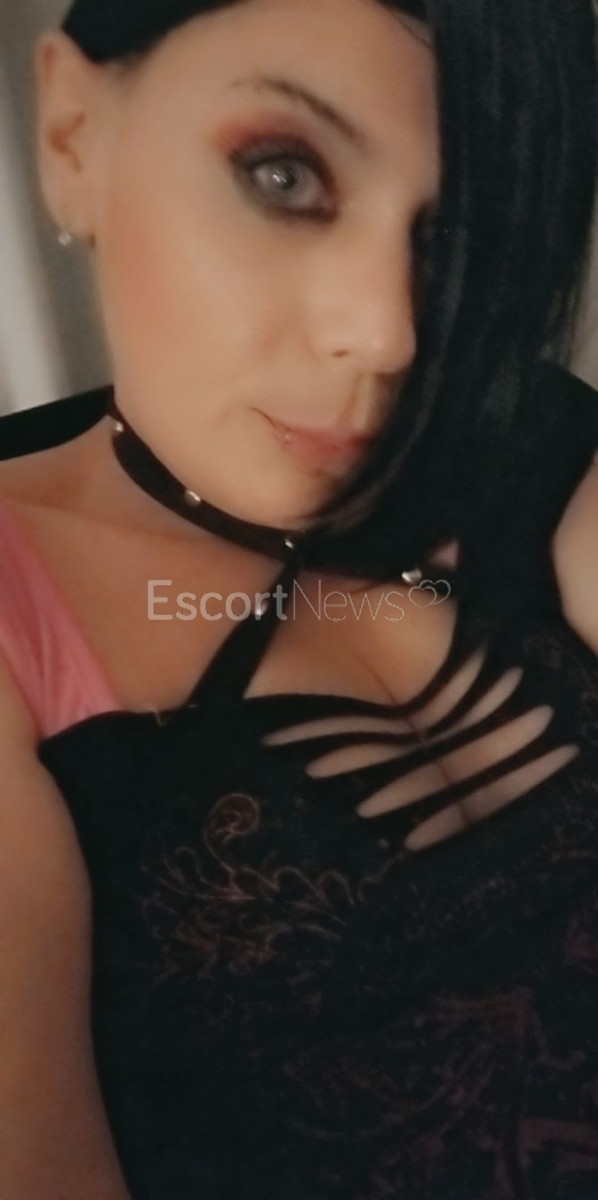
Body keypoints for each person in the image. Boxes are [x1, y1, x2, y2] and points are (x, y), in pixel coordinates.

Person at [1, 0, 597, 1195]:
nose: (384, 333)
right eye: (283, 174)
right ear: (73, 134)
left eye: (453, 234)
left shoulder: (536, 447)